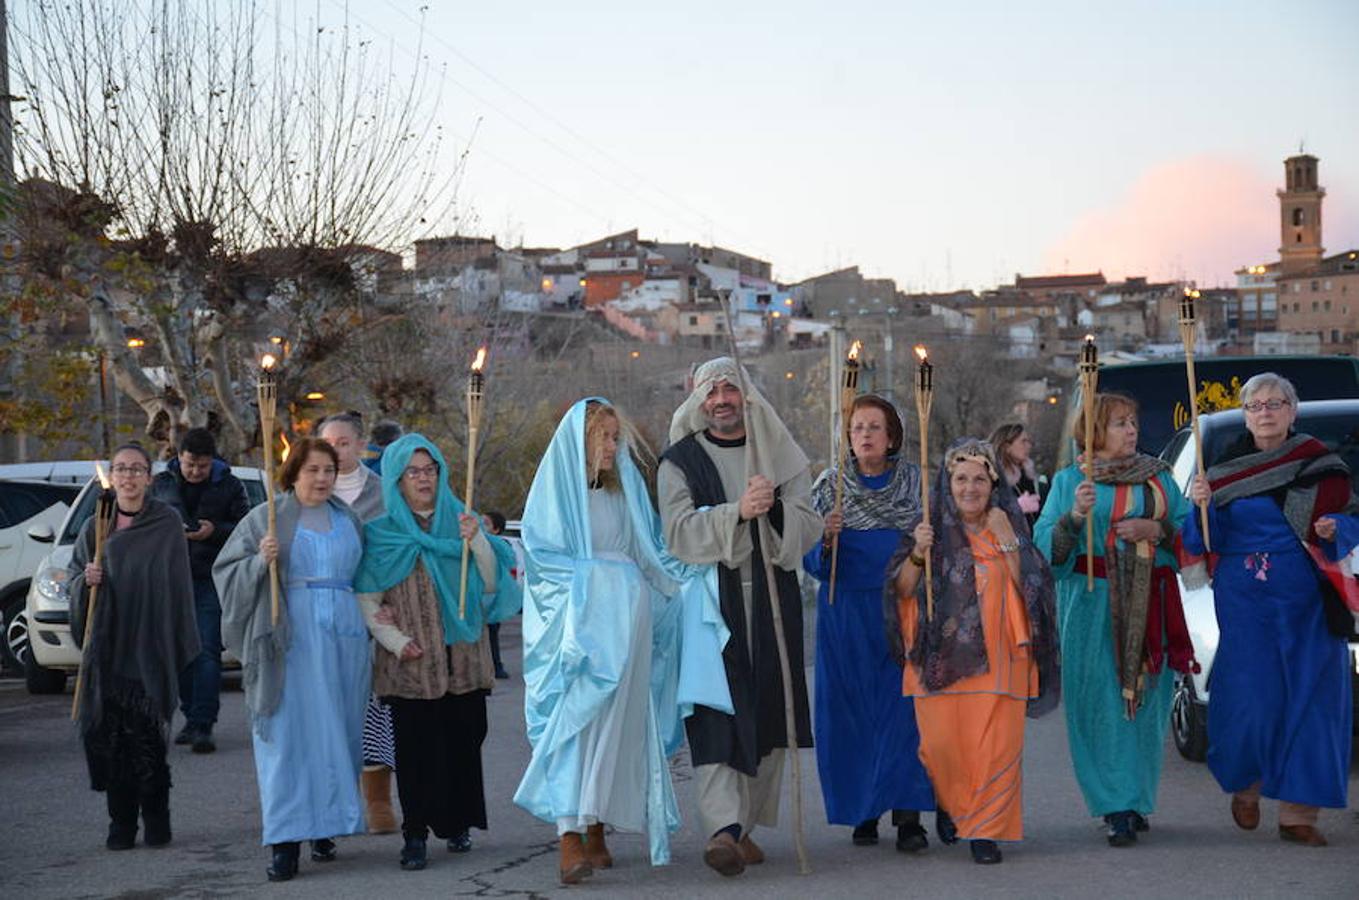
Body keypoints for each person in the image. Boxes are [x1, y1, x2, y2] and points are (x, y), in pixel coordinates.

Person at [515, 399, 699, 882]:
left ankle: (596, 823)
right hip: (581, 626)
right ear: (580, 441)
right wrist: (592, 583)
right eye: (604, 437)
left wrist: (687, 583)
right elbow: (540, 558)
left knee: (618, 727)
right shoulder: (555, 493)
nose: (613, 447)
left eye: (616, 437)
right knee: (577, 724)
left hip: (630, 620)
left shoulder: (626, 490)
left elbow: (650, 551)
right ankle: (569, 836)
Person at [658, 357, 822, 878]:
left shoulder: (778, 453)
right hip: (712, 606)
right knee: (716, 712)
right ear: (698, 399)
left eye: (730, 389)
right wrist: (736, 513)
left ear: (746, 395)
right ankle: (722, 829)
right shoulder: (678, 462)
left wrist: (772, 510)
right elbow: (679, 534)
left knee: (770, 713)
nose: (722, 399)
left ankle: (745, 823)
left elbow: (809, 522)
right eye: (712, 391)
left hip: (773, 596)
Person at [1184, 373, 1358, 847]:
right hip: (1246, 601)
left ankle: (1300, 815)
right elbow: (1202, 540)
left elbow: (1350, 518)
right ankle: (1246, 785)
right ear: (1245, 414)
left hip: (1309, 600)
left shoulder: (1322, 463)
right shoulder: (1220, 471)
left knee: (1314, 702)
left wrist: (1332, 527)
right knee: (1250, 701)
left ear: (1292, 410)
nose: (1265, 412)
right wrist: (1203, 507)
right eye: (1255, 405)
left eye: (1275, 403)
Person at [885, 439, 1060, 865]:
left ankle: (986, 830)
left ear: (992, 484)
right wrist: (918, 556)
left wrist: (1008, 542)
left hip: (1001, 659)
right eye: (960, 478)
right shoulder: (926, 528)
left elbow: (1034, 590)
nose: (969, 488)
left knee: (997, 749)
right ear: (948, 483)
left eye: (979, 479)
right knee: (940, 748)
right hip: (941, 659)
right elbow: (900, 592)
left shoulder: (1008, 527)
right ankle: (952, 802)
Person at [1033, 392, 1196, 847]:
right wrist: (1074, 517)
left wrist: (1157, 529)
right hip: (1090, 602)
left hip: (1150, 604)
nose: (1131, 430)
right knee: (1099, 701)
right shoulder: (1071, 482)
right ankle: (1113, 805)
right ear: (1094, 432)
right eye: (1119, 423)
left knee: (1145, 702)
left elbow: (1188, 533)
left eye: (1132, 422)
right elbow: (1044, 545)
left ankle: (1136, 796)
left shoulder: (1160, 479)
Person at [354, 434, 519, 871]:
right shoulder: (382, 534)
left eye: (431, 470)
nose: (424, 479)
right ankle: (415, 833)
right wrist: (395, 641)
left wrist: (477, 540)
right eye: (414, 471)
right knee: (415, 751)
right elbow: (368, 599)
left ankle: (456, 820)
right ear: (396, 478)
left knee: (465, 739)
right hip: (411, 661)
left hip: (463, 657)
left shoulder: (460, 523)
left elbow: (488, 583)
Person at [214, 438, 369, 882]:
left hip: (344, 638)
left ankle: (326, 826)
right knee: (287, 738)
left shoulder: (349, 519)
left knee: (336, 733)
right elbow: (225, 570)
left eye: (329, 471)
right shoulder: (267, 518)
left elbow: (365, 576)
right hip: (289, 639)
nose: (322, 479)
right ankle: (285, 840)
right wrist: (260, 562)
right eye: (312, 470)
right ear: (293, 474)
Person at [804, 395, 935, 850]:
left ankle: (909, 816)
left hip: (902, 608)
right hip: (846, 613)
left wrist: (924, 544)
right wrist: (825, 537)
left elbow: (937, 546)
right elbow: (811, 562)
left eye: (874, 427)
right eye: (857, 427)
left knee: (904, 714)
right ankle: (864, 808)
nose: (864, 435)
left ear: (892, 435)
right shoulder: (829, 486)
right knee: (852, 713)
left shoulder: (915, 483)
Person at [70, 443, 199, 851]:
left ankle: (157, 819)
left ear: (149, 476)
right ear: (111, 475)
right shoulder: (97, 524)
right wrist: (85, 581)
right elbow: (75, 574)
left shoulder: (165, 523)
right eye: (121, 469)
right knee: (112, 742)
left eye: (136, 469)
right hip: (107, 649)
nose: (128, 477)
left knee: (145, 740)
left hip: (149, 646)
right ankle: (120, 824)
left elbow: (176, 586)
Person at [150, 426, 250, 754]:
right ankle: (191, 716)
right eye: (190, 464)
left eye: (202, 466)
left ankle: (204, 723)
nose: (195, 471)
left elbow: (245, 528)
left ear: (212, 462)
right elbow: (147, 523)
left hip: (212, 577)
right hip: (172, 578)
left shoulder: (230, 485)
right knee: (178, 651)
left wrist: (214, 531)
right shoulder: (162, 483)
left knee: (206, 650)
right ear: (179, 458)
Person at [320, 411, 397, 833]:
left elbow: (393, 551)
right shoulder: (309, 491)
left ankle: (378, 799)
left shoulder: (382, 493)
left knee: (374, 706)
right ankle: (331, 800)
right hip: (324, 612)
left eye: (344, 443)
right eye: (328, 443)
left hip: (371, 610)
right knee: (327, 708)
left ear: (359, 444)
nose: (336, 450)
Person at [988, 422, 1044, 530]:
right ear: (1007, 447)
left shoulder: (1026, 475)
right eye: (1023, 441)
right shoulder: (992, 477)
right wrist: (1015, 508)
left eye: (1028, 441)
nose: (1029, 445)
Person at [482, 510, 513, 680]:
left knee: (492, 633)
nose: (481, 525)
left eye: (486, 523)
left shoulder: (502, 546)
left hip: (493, 598)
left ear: (496, 530)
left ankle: (496, 665)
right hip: (478, 597)